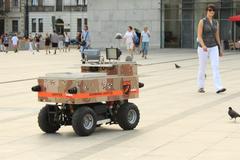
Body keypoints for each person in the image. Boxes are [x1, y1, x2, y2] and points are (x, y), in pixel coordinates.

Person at [197, 4, 226, 94]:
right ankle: (200, 86)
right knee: (202, 67)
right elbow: (199, 35)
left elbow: (217, 36)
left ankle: (218, 87)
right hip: (203, 48)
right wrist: (203, 45)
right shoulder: (202, 21)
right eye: (210, 10)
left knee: (215, 66)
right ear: (207, 11)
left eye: (213, 10)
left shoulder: (216, 22)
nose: (211, 12)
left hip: (213, 47)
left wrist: (220, 48)